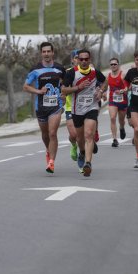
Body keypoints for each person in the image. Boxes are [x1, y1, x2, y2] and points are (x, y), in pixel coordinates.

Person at [61, 49, 106, 177]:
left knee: (88, 135)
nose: (84, 61)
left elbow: (105, 81)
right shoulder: (72, 73)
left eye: (87, 59)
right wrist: (77, 88)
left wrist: (101, 91)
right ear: (78, 60)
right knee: (79, 138)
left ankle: (88, 163)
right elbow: (63, 89)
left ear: (90, 60)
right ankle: (81, 151)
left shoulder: (94, 72)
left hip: (91, 107)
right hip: (76, 109)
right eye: (82, 59)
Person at [23, 42, 66, 173]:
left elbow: (65, 85)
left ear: (53, 53)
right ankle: (48, 150)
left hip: (56, 106)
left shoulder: (60, 69)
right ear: (41, 53)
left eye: (49, 51)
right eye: (44, 52)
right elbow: (25, 86)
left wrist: (63, 95)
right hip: (41, 107)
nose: (46, 54)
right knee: (45, 134)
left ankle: (51, 162)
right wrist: (39, 91)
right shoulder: (35, 70)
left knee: (52, 133)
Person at [106, 57, 128, 147]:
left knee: (121, 120)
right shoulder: (108, 75)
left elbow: (127, 88)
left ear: (118, 65)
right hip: (112, 100)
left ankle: (122, 128)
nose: (113, 66)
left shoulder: (123, 75)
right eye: (112, 64)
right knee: (112, 118)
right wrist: (102, 93)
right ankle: (114, 139)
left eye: (115, 64)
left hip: (122, 100)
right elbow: (105, 86)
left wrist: (121, 91)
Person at [64, 49, 79, 161]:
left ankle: (82, 160)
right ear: (72, 60)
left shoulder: (90, 71)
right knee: (74, 135)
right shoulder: (68, 72)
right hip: (70, 107)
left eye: (82, 58)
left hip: (85, 107)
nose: (79, 60)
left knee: (84, 136)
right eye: (76, 58)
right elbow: (63, 89)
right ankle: (73, 145)